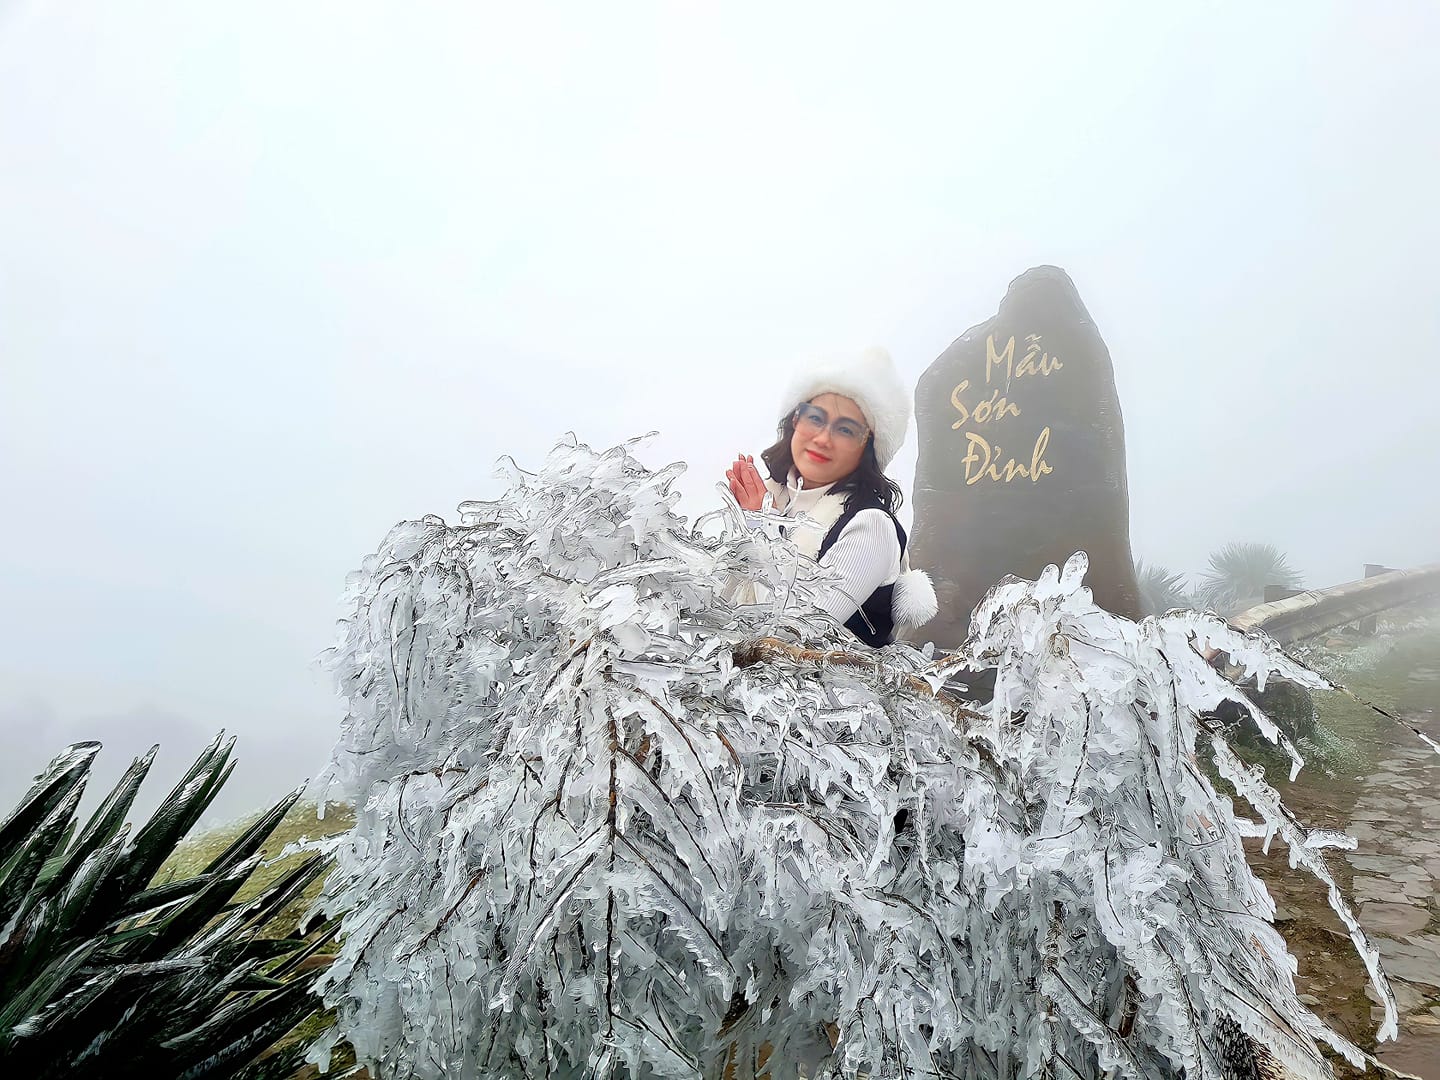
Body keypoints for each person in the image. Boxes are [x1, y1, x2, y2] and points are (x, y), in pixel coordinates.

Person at [724, 347, 936, 646]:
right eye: (815, 418)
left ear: (868, 449)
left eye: (846, 430)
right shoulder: (772, 499)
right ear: (795, 420)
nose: (823, 438)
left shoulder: (871, 525)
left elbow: (794, 636)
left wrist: (760, 530)